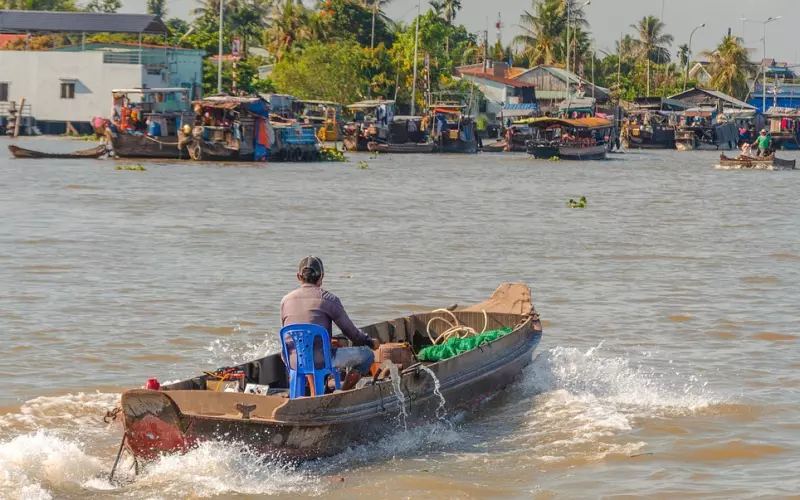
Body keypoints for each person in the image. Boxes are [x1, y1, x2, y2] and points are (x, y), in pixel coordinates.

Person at [281, 256, 379, 390]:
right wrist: (370, 342)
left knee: (307, 352)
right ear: (321, 276)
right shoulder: (328, 299)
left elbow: (295, 334)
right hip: (320, 360)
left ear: (298, 277)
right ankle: (342, 393)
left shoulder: (285, 300)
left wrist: (326, 341)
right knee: (367, 355)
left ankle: (312, 392)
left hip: (292, 361)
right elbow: (352, 334)